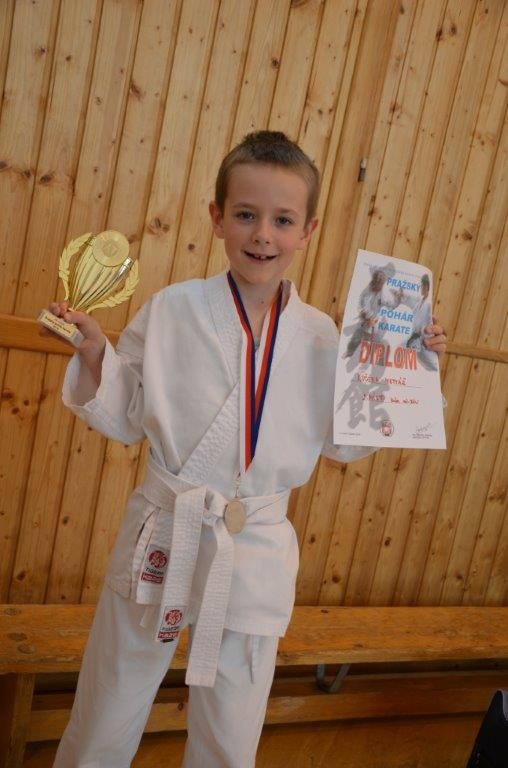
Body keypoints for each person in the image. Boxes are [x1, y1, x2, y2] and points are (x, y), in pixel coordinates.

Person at [42, 131, 447, 767]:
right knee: (108, 703)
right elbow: (127, 415)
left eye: (282, 220)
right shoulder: (171, 310)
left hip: (254, 542)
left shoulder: (323, 337)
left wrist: (403, 370)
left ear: (308, 230)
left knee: (232, 727)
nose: (263, 235)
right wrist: (96, 352)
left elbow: (343, 442)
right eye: (246, 215)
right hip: (166, 526)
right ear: (217, 217)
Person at [342, 267, 403, 358]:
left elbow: (391, 305)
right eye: (379, 282)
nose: (380, 285)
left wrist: (398, 298)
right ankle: (349, 352)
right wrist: (368, 318)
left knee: (376, 341)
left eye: (382, 283)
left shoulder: (382, 293)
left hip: (374, 324)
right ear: (375, 281)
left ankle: (374, 357)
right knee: (356, 337)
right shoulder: (367, 291)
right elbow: (363, 306)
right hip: (364, 320)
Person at [402, 273, 438, 371]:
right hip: (413, 337)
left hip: (422, 340)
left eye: (422, 285)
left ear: (426, 286)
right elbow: (410, 301)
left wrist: (419, 335)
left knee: (428, 365)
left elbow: (429, 327)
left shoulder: (429, 305)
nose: (420, 288)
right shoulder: (420, 301)